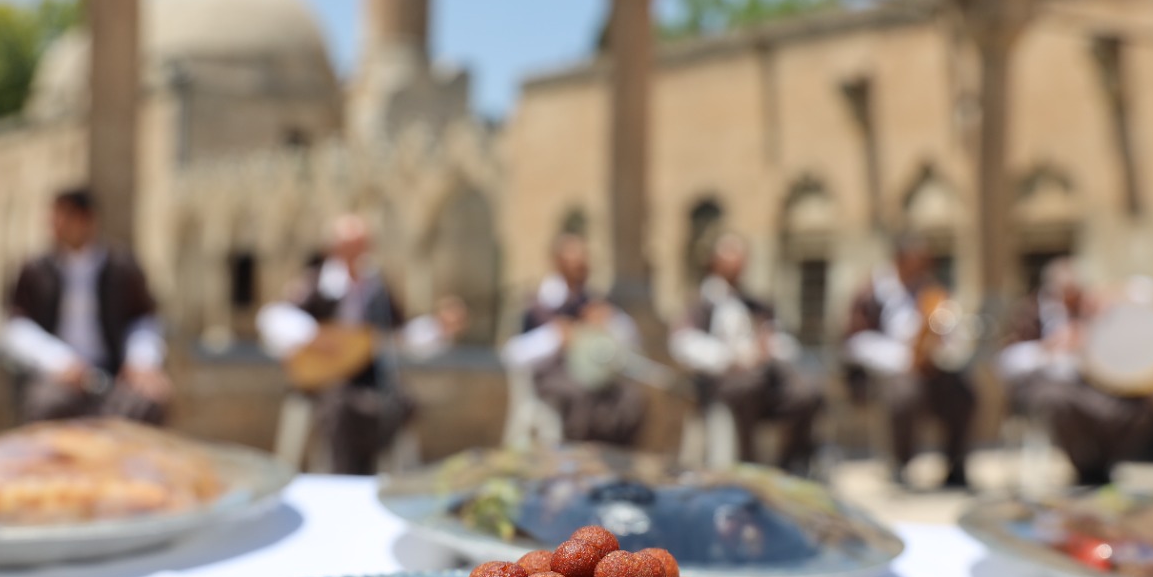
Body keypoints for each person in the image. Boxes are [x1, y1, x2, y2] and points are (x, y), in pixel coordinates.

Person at [257, 214, 466, 475]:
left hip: (367, 378)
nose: (357, 254)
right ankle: (345, 476)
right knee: (341, 407)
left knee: (400, 402)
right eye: (350, 247)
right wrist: (315, 337)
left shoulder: (376, 288)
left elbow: (400, 334)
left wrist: (438, 328)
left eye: (362, 247)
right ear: (334, 249)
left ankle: (374, 473)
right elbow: (274, 317)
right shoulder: (317, 284)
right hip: (325, 381)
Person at [3, 188, 171, 425]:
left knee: (147, 404)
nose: (55, 225)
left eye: (64, 217)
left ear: (87, 219)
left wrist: (142, 362)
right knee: (48, 406)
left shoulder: (121, 268)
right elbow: (17, 327)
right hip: (57, 379)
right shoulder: (36, 271)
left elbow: (142, 318)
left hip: (111, 377)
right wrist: (60, 362)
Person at [999, 258, 1153, 486]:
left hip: (1092, 387)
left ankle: (1102, 465)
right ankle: (1083, 467)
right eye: (1067, 294)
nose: (1072, 300)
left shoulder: (1094, 311)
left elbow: (1146, 298)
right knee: (1057, 402)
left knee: (1143, 409)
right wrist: (1050, 348)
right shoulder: (1030, 311)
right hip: (1047, 384)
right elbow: (1008, 360)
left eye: (1076, 293)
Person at [670, 233, 824, 475]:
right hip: (727, 381)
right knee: (748, 387)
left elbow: (780, 340)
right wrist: (733, 357)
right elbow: (683, 343)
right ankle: (746, 461)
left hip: (767, 378)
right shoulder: (702, 303)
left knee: (806, 392)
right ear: (715, 262)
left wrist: (769, 348)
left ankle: (793, 461)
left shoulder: (754, 303)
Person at [844, 235, 977, 489]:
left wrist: (943, 345)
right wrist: (904, 356)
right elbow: (855, 341)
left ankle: (955, 464)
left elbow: (952, 333)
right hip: (887, 373)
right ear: (900, 260)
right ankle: (900, 464)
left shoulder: (932, 292)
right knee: (904, 395)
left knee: (964, 393)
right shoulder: (872, 291)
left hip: (932, 370)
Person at [501, 232, 646, 446]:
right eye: (575, 262)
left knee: (629, 397)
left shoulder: (595, 300)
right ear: (559, 262)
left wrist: (610, 321)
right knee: (578, 395)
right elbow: (513, 353)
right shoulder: (538, 305)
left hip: (597, 377)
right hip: (554, 378)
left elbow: (631, 341)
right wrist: (556, 337)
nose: (582, 266)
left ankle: (613, 457)